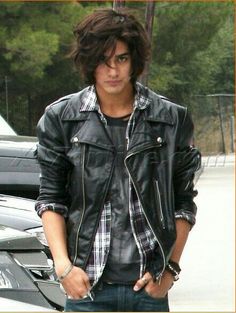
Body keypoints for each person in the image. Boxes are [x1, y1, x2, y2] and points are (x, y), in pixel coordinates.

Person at [35, 8, 201, 312]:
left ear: (134, 60)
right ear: (89, 62)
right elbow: (51, 200)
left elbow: (183, 203)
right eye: (103, 60)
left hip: (148, 287)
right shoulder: (61, 119)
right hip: (87, 289)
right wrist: (64, 268)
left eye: (121, 59)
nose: (113, 71)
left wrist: (170, 270)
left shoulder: (170, 119)